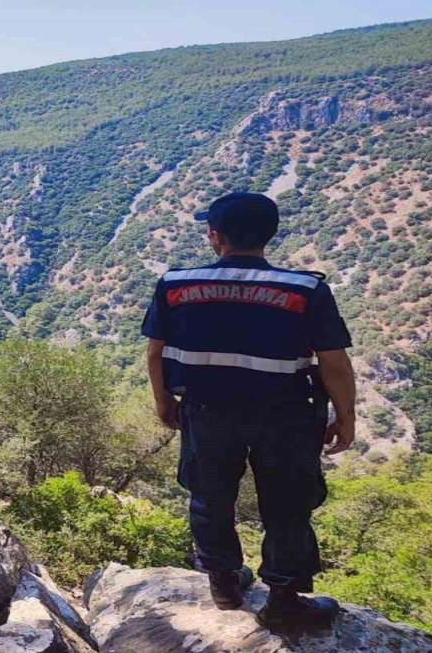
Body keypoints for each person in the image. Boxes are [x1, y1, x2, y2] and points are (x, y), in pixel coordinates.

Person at [141, 192, 357, 633]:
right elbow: (334, 362)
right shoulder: (305, 289)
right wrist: (346, 417)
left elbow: (155, 352)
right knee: (288, 504)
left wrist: (164, 400)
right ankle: (282, 599)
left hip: (206, 411)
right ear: (270, 234)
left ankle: (223, 581)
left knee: (209, 494)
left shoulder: (176, 285)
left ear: (214, 235)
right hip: (286, 416)